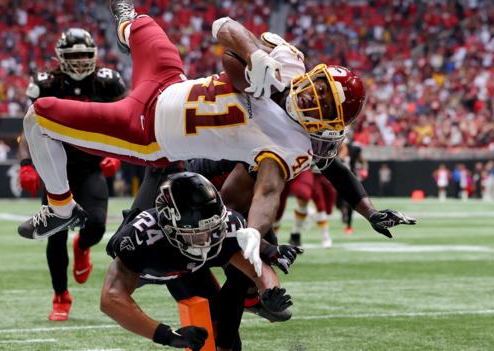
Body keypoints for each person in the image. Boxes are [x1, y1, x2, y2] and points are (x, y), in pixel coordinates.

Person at [18, 1, 367, 277]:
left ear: (329, 123)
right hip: (168, 82)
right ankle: (126, 26)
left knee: (38, 116)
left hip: (146, 132)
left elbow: (268, 191)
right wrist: (256, 53)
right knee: (142, 23)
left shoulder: (292, 146)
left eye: (322, 102)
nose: (311, 96)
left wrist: (256, 233)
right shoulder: (288, 65)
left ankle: (61, 208)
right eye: (318, 86)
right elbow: (223, 27)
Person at [101, 172, 295, 351]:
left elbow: (255, 267)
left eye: (213, 229)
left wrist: (270, 290)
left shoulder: (227, 224)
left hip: (187, 272)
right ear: (170, 226)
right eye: (198, 234)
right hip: (157, 265)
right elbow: (111, 299)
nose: (208, 239)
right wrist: (166, 335)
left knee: (226, 341)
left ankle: (251, 301)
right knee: (156, 171)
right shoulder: (142, 238)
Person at [18, 28, 126, 320]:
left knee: (97, 227)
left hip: (91, 166)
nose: (79, 61)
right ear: (60, 58)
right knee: (55, 236)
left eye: (83, 55)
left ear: (94, 56)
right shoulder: (46, 84)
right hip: (56, 171)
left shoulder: (108, 83)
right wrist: (27, 164)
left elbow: (124, 122)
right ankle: (61, 297)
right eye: (73, 55)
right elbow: (29, 128)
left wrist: (116, 154)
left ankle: (83, 247)